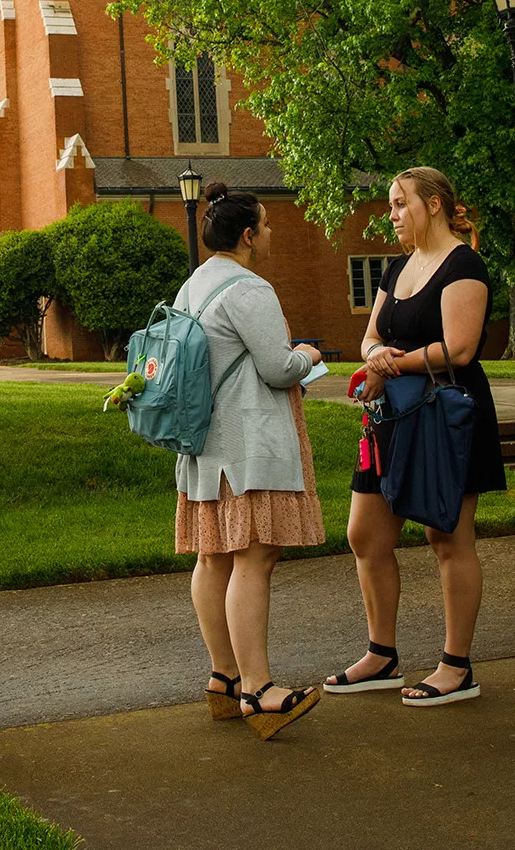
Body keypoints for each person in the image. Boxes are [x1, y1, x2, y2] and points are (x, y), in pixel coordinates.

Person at [325, 165, 497, 707]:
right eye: (392, 205)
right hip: (392, 418)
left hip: (447, 416)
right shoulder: (396, 268)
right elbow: (370, 335)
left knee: (447, 538)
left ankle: (456, 666)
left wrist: (390, 365)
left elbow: (459, 350)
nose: (392, 215)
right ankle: (382, 655)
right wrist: (375, 355)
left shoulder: (463, 266)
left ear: (435, 205)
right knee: (365, 535)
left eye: (401, 204)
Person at [173, 181, 328, 739]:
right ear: (246, 235)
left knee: (212, 559)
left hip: (202, 446)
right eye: (264, 225)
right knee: (253, 559)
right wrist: (308, 353)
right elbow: (277, 368)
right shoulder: (250, 289)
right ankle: (261, 692)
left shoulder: (192, 286)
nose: (270, 233)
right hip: (248, 447)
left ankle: (225, 678)